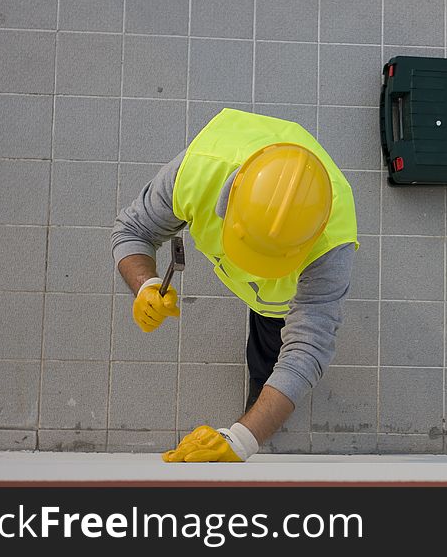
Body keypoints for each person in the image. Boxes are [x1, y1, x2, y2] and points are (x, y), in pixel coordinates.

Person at [111, 108, 358, 463]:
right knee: (267, 359)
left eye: (268, 261)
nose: (252, 272)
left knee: (269, 356)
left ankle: (260, 402)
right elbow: (132, 230)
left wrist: (241, 439)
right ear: (227, 200)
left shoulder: (333, 241)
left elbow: (308, 348)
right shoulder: (198, 172)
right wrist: (145, 283)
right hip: (265, 270)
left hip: (277, 305)